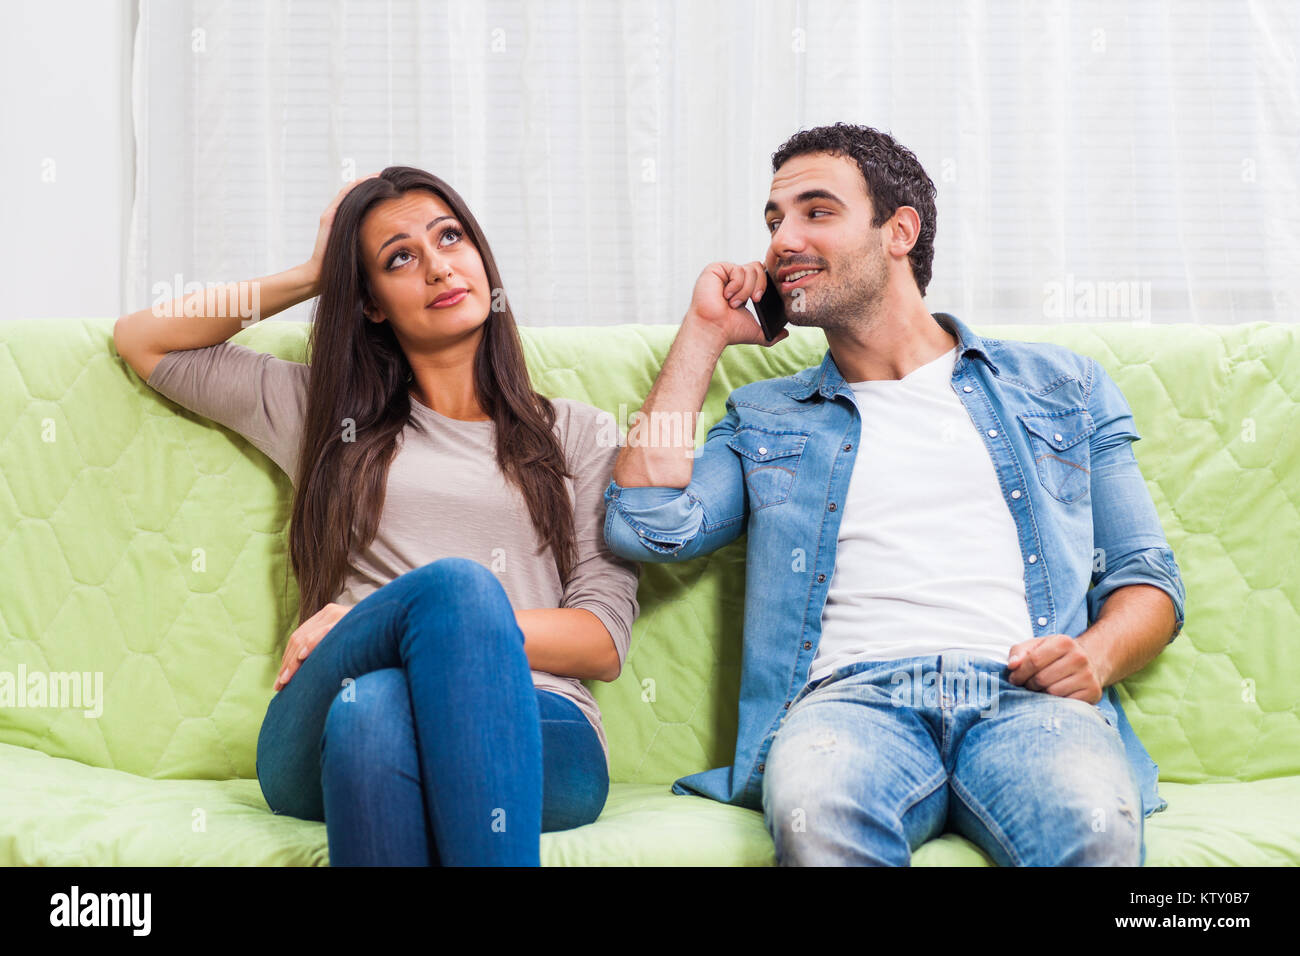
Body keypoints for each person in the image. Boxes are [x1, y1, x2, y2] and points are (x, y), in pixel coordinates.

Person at [602, 123, 1185, 866]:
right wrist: (705, 333)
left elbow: (1148, 576)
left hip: (1028, 700)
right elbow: (645, 525)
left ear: (898, 231)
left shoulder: (1060, 385)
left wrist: (1096, 657)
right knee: (822, 831)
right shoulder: (767, 415)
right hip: (847, 707)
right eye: (774, 219)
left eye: (816, 211)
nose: (782, 240)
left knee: (1095, 830)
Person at [113, 167, 639, 866]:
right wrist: (313, 273)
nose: (438, 266)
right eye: (400, 258)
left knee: (384, 702)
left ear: (482, 256)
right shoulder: (324, 418)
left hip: (537, 723)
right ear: (370, 304)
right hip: (321, 713)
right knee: (422, 630)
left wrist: (402, 623)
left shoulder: (578, 433)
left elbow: (602, 641)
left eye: (450, 237)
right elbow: (144, 339)